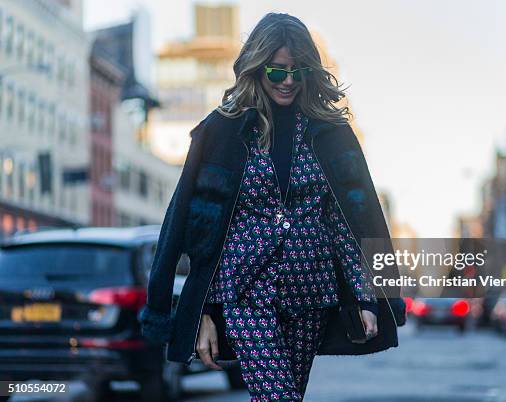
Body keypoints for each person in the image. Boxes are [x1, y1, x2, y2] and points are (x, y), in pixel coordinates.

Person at [139, 12, 404, 402]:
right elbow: (190, 226)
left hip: (310, 292)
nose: (289, 81)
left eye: (298, 72)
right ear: (255, 68)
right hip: (245, 293)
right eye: (277, 72)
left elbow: (346, 221)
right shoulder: (222, 131)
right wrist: (201, 312)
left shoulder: (331, 133)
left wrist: (367, 297)